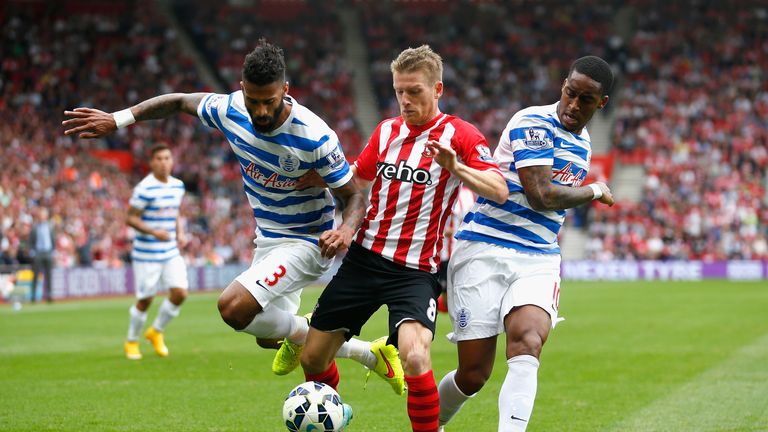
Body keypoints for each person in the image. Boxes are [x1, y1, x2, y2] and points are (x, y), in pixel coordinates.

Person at [62, 39, 397, 397]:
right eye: (254, 101)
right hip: (267, 238)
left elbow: (353, 196)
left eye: (270, 101)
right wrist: (119, 118)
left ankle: (324, 339)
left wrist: (345, 230)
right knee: (269, 336)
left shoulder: (313, 136)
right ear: (242, 90)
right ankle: (368, 354)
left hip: (307, 241)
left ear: (286, 90)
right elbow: (177, 101)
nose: (262, 111)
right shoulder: (229, 110)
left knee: (234, 307)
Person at [297, 45, 508, 432]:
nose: (405, 101)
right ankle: (332, 414)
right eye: (399, 91)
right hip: (363, 259)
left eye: (415, 91)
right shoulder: (386, 131)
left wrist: (455, 166)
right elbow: (357, 185)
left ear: (438, 89)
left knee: (414, 356)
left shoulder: (459, 135)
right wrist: (342, 221)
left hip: (413, 272)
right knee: (312, 359)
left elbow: (498, 188)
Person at [436, 55, 616, 432]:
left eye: (585, 100)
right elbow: (541, 196)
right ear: (562, 86)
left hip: (538, 257)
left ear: (600, 104)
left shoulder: (581, 141)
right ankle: (428, 422)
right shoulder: (534, 122)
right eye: (570, 93)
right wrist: (594, 190)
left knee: (528, 342)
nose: (573, 105)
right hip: (484, 249)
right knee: (473, 375)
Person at [123, 144, 189, 360]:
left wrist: (180, 232)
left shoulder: (178, 186)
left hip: (169, 251)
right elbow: (130, 217)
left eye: (167, 158)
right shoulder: (145, 188)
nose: (164, 162)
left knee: (180, 293)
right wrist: (153, 231)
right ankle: (132, 341)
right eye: (159, 158)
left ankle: (156, 331)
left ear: (172, 161)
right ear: (152, 163)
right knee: (146, 299)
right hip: (146, 253)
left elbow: (175, 211)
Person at [28, 208, 55, 303]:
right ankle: (33, 296)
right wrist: (32, 252)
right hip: (38, 253)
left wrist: (53, 251)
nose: (41, 218)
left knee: (49, 275)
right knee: (35, 275)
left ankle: (50, 295)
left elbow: (52, 239)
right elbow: (30, 241)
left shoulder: (50, 227)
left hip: (48, 252)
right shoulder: (35, 227)